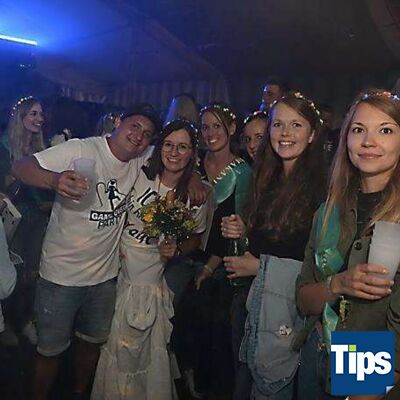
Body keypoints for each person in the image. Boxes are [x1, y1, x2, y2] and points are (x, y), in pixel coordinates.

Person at [12, 105, 160, 400]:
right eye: (134, 126)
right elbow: (21, 167)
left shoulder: (142, 156)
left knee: (91, 344)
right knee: (50, 350)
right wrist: (54, 180)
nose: (139, 136)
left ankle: (80, 392)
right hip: (61, 277)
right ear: (118, 122)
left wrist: (195, 179)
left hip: (104, 280)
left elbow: (178, 155)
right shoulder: (81, 149)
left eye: (146, 134)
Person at [91, 119, 207, 400]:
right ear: (159, 146)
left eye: (183, 147)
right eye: (168, 144)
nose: (174, 152)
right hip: (116, 269)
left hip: (151, 278)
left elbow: (197, 238)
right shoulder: (140, 169)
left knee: (142, 344)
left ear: (193, 152)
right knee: (110, 341)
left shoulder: (195, 195)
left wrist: (177, 250)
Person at [222, 92, 326, 399]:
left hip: (335, 332)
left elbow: (334, 275)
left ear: (313, 134)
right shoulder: (269, 178)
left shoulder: (336, 191)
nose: (368, 143)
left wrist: (261, 267)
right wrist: (247, 234)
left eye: (386, 130)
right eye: (278, 124)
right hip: (281, 315)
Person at [296, 90, 400, 400]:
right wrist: (338, 284)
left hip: (367, 360)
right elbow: (303, 299)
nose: (369, 141)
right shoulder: (328, 212)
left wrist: (360, 391)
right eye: (358, 130)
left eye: (385, 130)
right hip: (316, 353)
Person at [179, 102, 251, 398]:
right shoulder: (191, 164)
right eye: (205, 126)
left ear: (231, 129)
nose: (210, 133)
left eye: (217, 126)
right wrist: (193, 176)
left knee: (213, 322)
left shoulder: (243, 172)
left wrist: (210, 266)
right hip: (183, 251)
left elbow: (237, 226)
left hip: (222, 261)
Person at [0, 96, 48, 346]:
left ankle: (26, 319)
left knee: (34, 271)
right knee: (13, 271)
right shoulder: (4, 146)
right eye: (33, 114)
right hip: (13, 215)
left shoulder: (43, 149)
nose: (39, 119)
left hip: (38, 216)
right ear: (20, 117)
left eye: (41, 114)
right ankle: (9, 321)